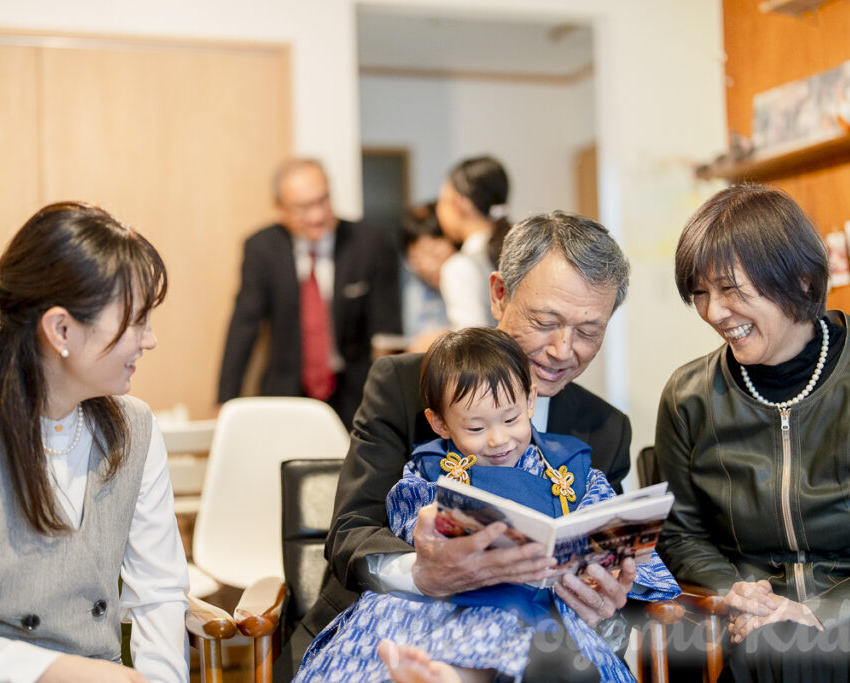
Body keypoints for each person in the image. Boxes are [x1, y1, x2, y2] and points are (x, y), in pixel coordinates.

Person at [277, 210, 633, 681]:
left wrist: (604, 602)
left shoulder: (603, 428)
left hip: (534, 639)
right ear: (499, 295)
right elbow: (351, 532)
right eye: (546, 321)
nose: (564, 350)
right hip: (396, 623)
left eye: (589, 331)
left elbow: (607, 560)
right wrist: (421, 571)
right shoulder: (404, 386)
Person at [0, 202, 189, 682]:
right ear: (61, 329)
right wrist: (62, 673)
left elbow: (159, 594)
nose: (149, 340)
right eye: (135, 321)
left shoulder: (136, 429)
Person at [294, 327, 678, 682]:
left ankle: (453, 676)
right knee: (395, 634)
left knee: (520, 625)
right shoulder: (431, 470)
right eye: (476, 428)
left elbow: (609, 526)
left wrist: (610, 565)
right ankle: (444, 672)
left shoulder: (574, 469)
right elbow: (409, 518)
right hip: (448, 595)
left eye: (510, 419)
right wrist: (429, 532)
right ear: (440, 423)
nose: (498, 440)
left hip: (547, 604)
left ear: (529, 400)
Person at [655, 184, 850, 682]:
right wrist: (738, 590)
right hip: (754, 617)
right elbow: (680, 534)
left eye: (730, 289)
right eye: (701, 293)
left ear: (800, 279)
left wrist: (823, 610)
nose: (712, 312)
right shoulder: (689, 397)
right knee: (772, 646)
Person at [216, 158, 401, 428]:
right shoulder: (261, 248)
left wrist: (392, 402)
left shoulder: (370, 243)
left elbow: (387, 331)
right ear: (279, 208)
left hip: (356, 394)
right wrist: (225, 399)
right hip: (285, 393)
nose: (317, 216)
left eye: (323, 201)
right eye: (303, 208)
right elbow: (245, 324)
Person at [435, 156, 512, 330]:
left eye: (443, 201)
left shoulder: (459, 267)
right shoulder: (527, 249)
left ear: (459, 203)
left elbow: (471, 347)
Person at [400, 202, 455, 349]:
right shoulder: (414, 286)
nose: (429, 265)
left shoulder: (467, 276)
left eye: (434, 253)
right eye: (417, 258)